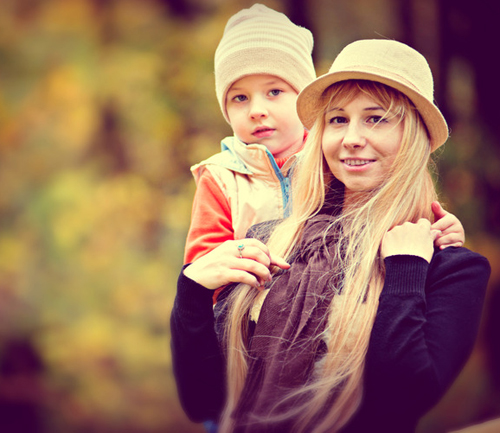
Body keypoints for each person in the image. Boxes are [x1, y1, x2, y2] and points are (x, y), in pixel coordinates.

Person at [171, 39, 491, 432]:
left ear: (415, 136)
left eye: (376, 118)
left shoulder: (449, 268)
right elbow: (203, 399)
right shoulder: (272, 241)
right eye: (338, 120)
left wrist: (405, 271)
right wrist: (193, 292)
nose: (352, 137)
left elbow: (404, 398)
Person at [183, 4, 464, 285]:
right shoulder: (221, 177)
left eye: (274, 91)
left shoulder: (331, 158)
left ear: (304, 99)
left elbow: (391, 203)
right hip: (247, 302)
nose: (257, 110)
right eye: (240, 98)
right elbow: (204, 265)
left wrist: (441, 229)